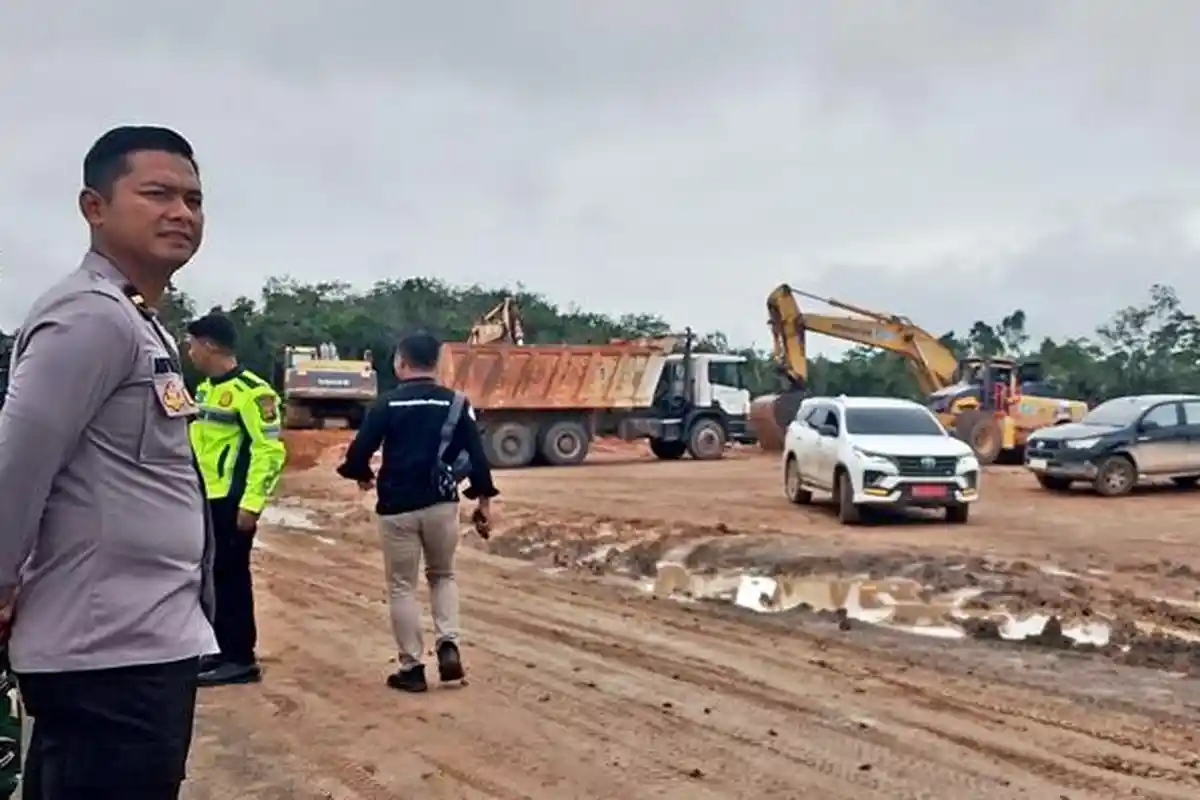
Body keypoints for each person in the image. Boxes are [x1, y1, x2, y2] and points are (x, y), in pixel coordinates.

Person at [0, 126, 217, 798]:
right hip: (105, 659)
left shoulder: (135, 318)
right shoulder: (90, 319)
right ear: (94, 207)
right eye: (156, 194)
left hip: (140, 646)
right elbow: (17, 463)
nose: (181, 213)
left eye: (193, 199)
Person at [336, 330, 498, 693]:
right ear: (436, 363)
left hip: (397, 506)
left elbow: (359, 452)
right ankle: (448, 644)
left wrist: (361, 475)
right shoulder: (456, 403)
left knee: (401, 587)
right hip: (442, 504)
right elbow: (476, 455)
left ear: (401, 363)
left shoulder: (386, 404)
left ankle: (411, 668)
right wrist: (484, 501)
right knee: (443, 575)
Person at [185, 312, 287, 687]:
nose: (190, 352)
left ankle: (240, 657)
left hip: (232, 501)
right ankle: (217, 648)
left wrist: (252, 503)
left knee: (231, 578)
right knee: (210, 578)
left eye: (193, 344)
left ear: (209, 344)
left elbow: (269, 451)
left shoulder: (253, 392)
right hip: (205, 498)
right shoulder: (205, 389)